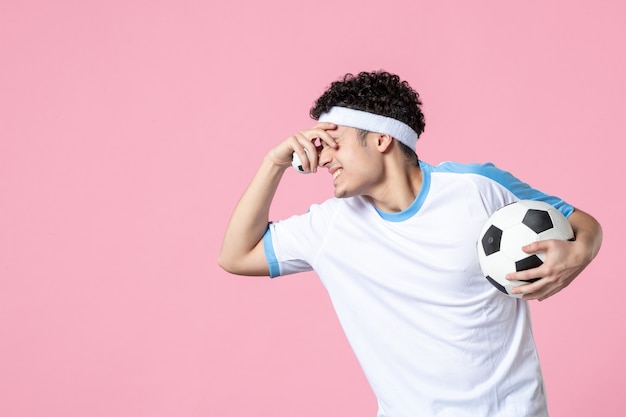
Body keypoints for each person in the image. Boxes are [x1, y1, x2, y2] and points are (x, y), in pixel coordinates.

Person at [218, 71, 602, 416]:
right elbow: (235, 256)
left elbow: (582, 224)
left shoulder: (478, 188)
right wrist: (273, 163)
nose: (321, 157)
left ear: (382, 138)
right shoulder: (329, 225)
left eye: (332, 141)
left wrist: (578, 253)